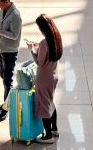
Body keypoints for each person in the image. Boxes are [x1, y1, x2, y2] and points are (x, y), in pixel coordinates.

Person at [31, 14, 63, 144]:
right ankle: (54, 129)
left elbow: (39, 62)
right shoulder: (56, 38)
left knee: (44, 106)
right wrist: (39, 47)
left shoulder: (44, 43)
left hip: (44, 78)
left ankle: (48, 136)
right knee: (50, 102)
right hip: (53, 75)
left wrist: (32, 50)